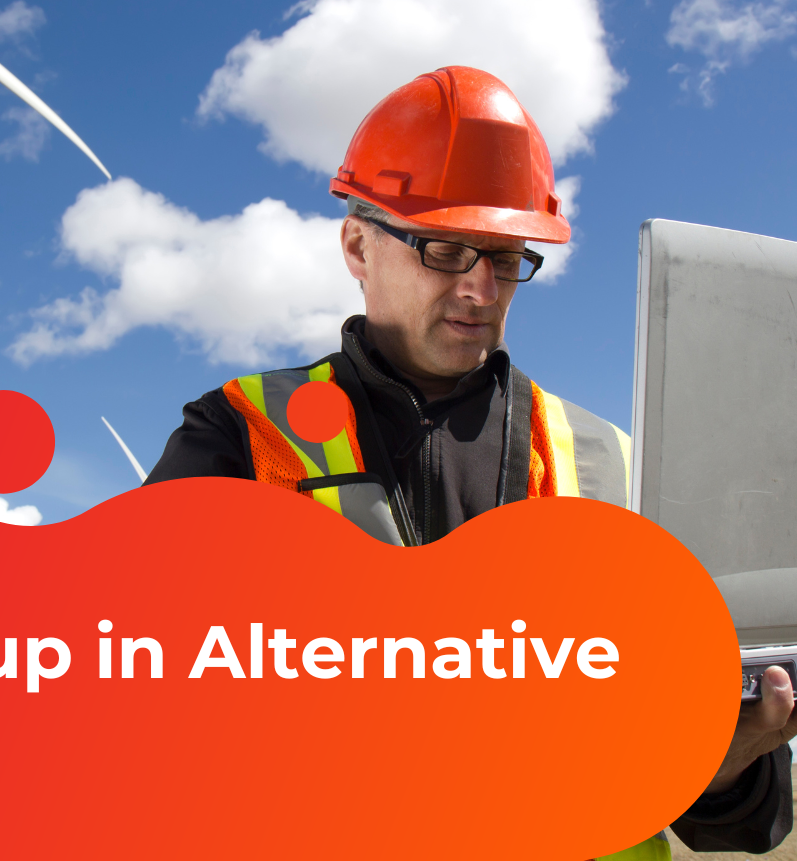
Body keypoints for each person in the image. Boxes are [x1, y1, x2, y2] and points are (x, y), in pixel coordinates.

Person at [145, 65, 795, 856]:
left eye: (505, 255)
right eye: (446, 250)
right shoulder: (242, 435)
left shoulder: (612, 466)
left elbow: (734, 814)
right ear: (358, 244)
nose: (482, 288)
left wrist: (726, 766)